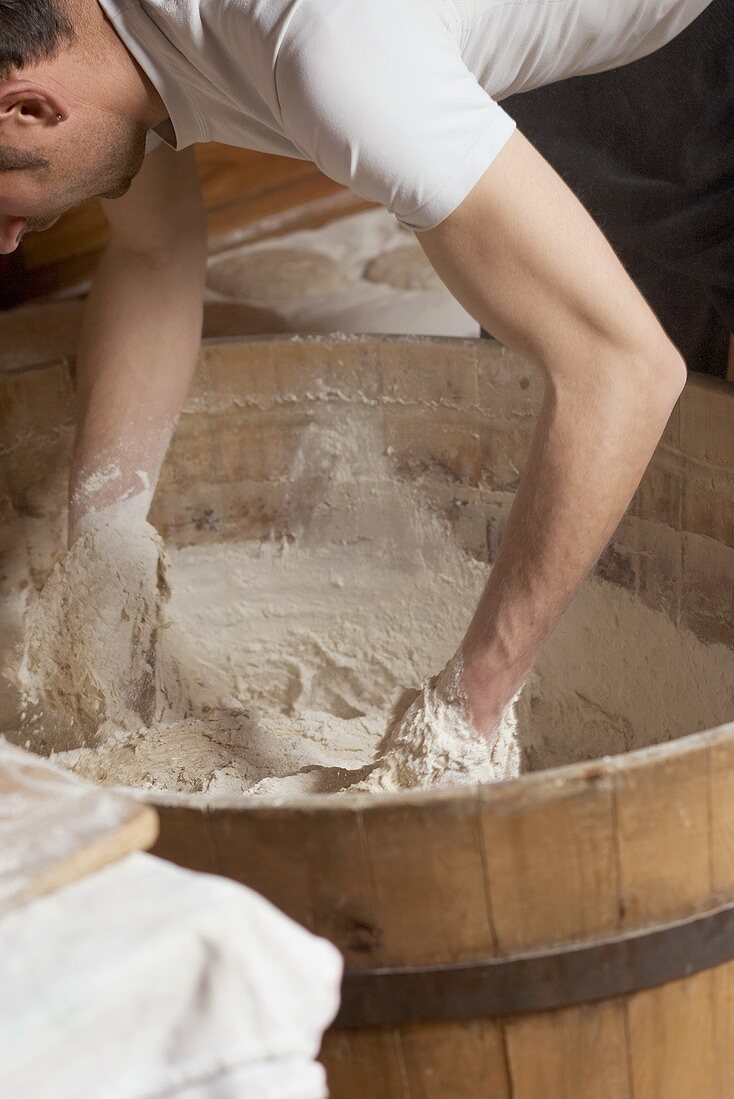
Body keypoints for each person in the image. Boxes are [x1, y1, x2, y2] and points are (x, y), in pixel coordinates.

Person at [0, 0, 721, 745]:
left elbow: (625, 371)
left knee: (628, 365)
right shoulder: (91, 39)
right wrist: (105, 547)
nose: (5, 241)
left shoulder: (337, 62)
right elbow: (155, 251)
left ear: (26, 105)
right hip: (448, 46)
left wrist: (465, 710)